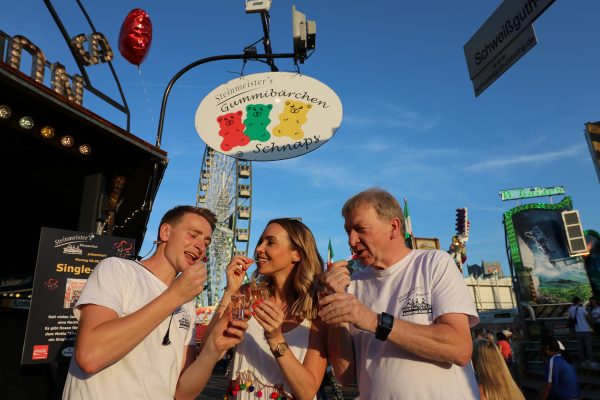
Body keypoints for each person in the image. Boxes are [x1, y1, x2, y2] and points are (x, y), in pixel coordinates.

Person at [62, 206, 249, 400]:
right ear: (166, 232)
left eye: (206, 243)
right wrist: (174, 296)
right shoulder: (117, 270)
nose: (200, 246)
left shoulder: (187, 306)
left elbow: (183, 393)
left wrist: (212, 351)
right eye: (193, 235)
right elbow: (90, 356)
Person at [320, 188, 480, 399]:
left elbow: (459, 348)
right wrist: (337, 304)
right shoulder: (353, 285)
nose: (351, 240)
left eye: (360, 229)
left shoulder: (434, 263)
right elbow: (345, 375)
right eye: (348, 231)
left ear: (393, 226)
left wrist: (374, 321)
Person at [211, 218, 328, 400]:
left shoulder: (317, 308)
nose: (259, 249)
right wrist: (230, 291)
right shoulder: (246, 294)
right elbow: (208, 354)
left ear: (297, 254)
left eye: (270, 242)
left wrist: (275, 339)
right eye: (260, 241)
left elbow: (307, 392)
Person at [538, 335, 580, 400]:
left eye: (540, 346)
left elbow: (547, 387)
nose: (539, 349)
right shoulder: (564, 358)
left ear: (547, 347)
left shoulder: (553, 360)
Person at [568, 296, 598, 367]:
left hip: (577, 330)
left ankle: (583, 361)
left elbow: (571, 318)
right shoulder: (582, 309)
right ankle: (591, 361)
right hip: (585, 329)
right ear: (578, 301)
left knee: (581, 346)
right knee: (588, 346)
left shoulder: (570, 309)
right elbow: (588, 318)